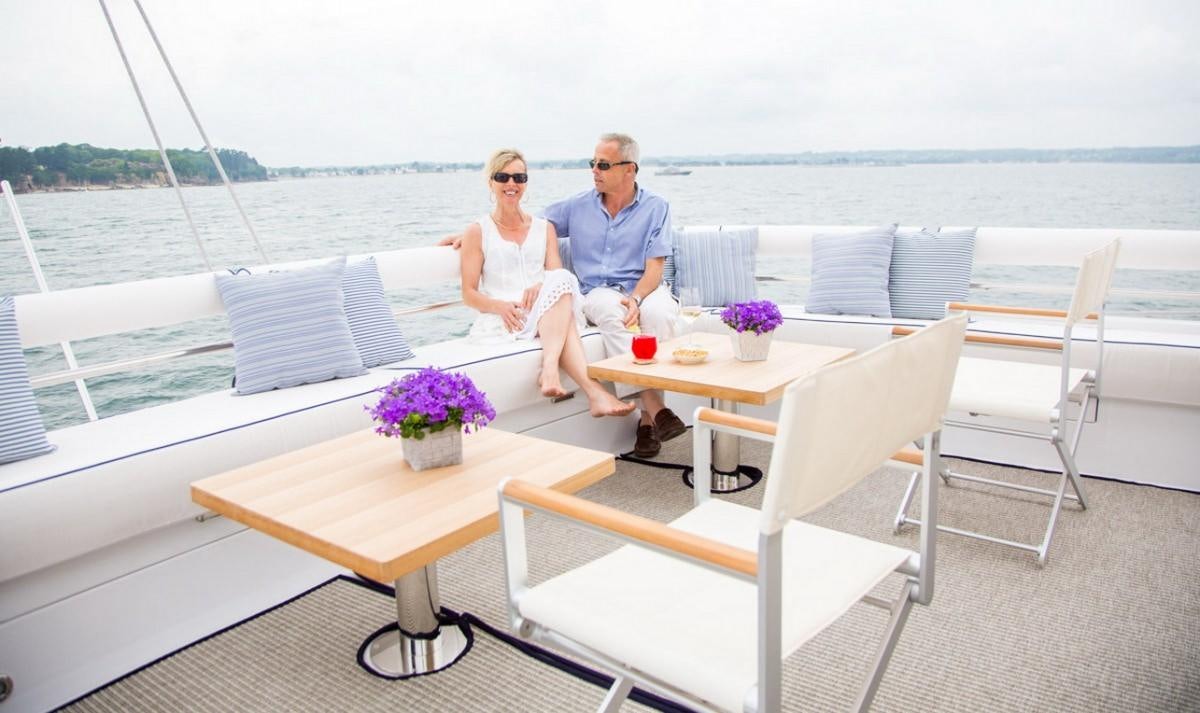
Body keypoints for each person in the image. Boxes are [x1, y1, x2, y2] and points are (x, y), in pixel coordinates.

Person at [444, 134, 683, 458]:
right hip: (599, 290)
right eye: (592, 163)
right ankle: (654, 410)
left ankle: (646, 418)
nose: (594, 170)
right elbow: (520, 220)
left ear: (630, 170)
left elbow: (655, 266)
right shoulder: (577, 206)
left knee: (659, 316)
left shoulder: (657, 207)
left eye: (603, 164)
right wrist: (472, 235)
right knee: (614, 316)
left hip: (645, 288)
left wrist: (638, 299)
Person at [460, 148, 635, 418]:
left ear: (526, 182)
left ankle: (550, 368)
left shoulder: (544, 228)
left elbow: (556, 275)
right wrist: (499, 307)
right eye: (502, 177)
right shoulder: (477, 231)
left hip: (546, 307)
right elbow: (469, 294)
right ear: (490, 182)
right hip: (508, 318)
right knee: (563, 315)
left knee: (561, 280)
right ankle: (594, 392)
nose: (511, 184)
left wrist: (541, 287)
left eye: (519, 177)